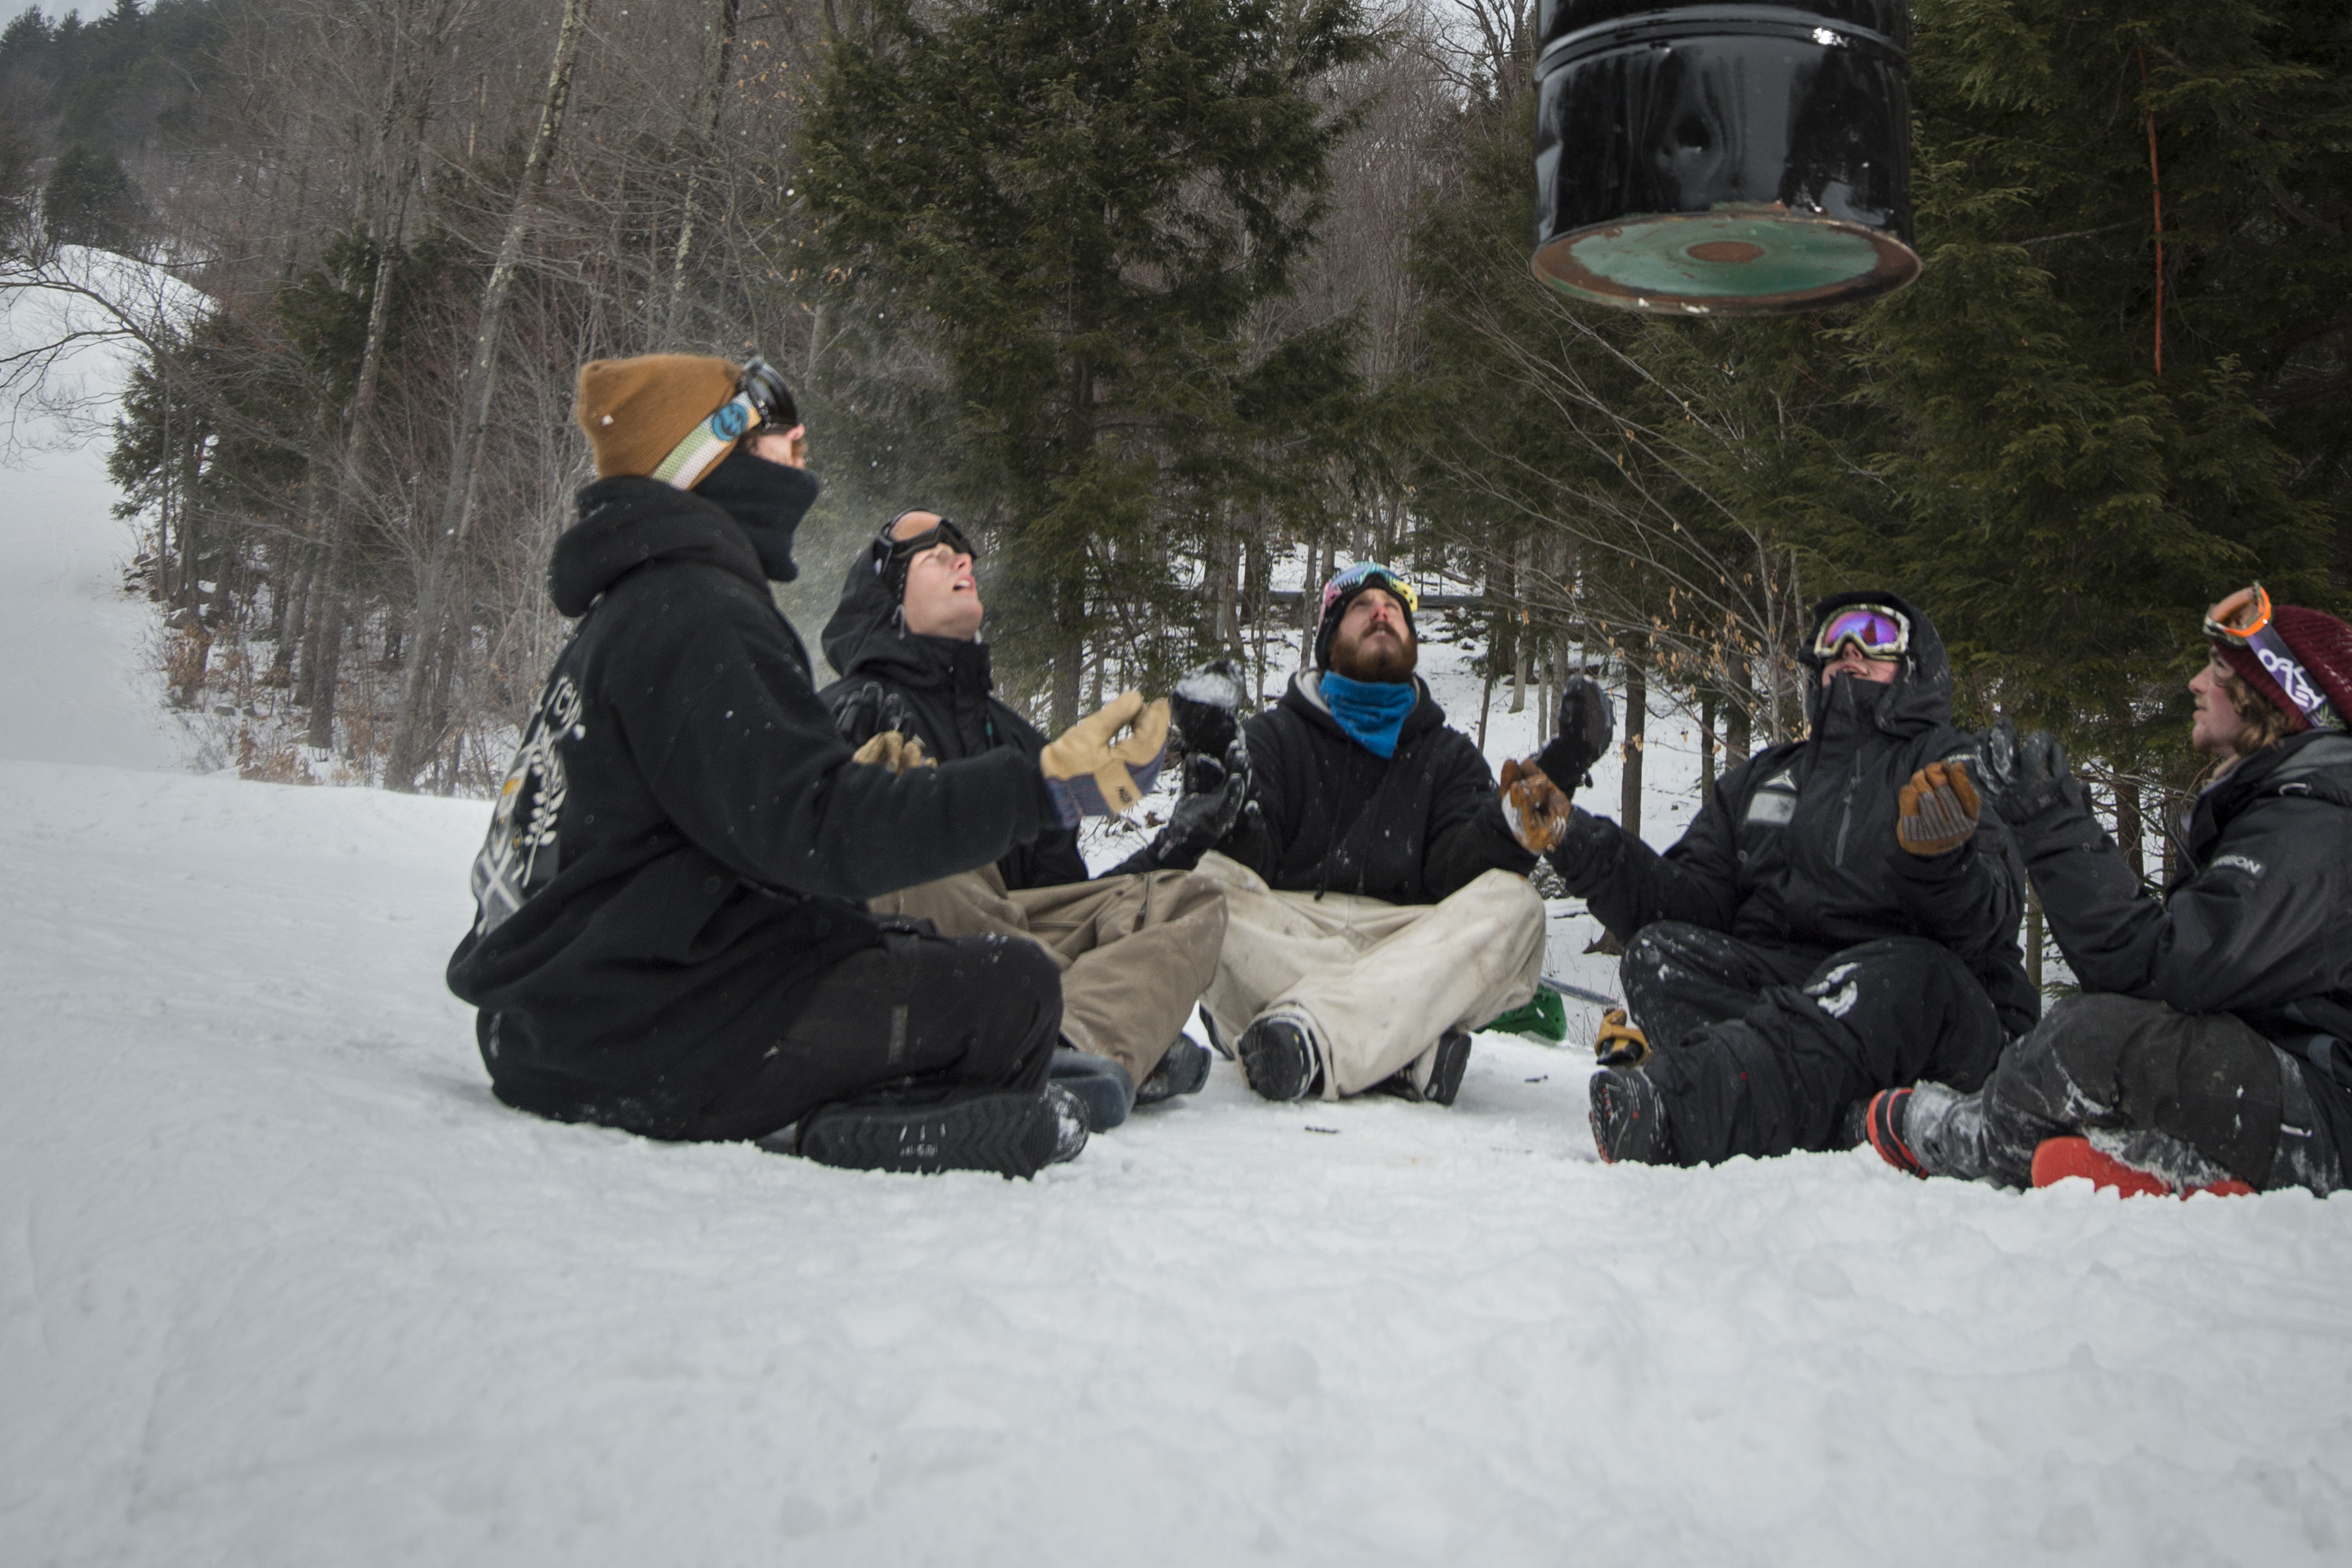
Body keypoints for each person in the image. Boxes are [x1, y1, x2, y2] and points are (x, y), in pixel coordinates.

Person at [444, 354, 1161, 1176]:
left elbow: (750, 846)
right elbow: (819, 826)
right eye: (777, 433)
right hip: (635, 1039)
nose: (800, 447)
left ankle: (893, 1088)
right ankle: (851, 1119)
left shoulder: (641, 608)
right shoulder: (698, 614)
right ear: (708, 455)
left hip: (565, 1021)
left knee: (920, 950)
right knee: (1014, 991)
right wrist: (1043, 786)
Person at [1867, 585, 2352, 1200]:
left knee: (2090, 1037)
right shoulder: (2303, 808)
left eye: (2219, 671)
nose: (2196, 683)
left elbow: (2159, 973)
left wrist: (2051, 818)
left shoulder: (2320, 828)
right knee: (2128, 1047)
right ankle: (2174, 1172)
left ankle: (1968, 1138)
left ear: (2278, 699)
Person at [1496, 588, 2035, 1169]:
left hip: (1931, 1012)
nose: (1850, 650)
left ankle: (1679, 1112)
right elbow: (1688, 906)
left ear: (1916, 664)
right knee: (1659, 956)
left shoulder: (1954, 767)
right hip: (1796, 995)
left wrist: (1943, 860)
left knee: (1895, 978)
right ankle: (1847, 1118)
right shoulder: (1767, 779)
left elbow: (1994, 917)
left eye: (1875, 637)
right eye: (1834, 640)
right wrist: (1575, 840)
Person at [818, 508, 1226, 1119]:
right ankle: (1095, 1025)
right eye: (935, 556)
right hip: (904, 951)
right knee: (904, 841)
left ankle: (1067, 1044)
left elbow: (1056, 899)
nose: (963, 560)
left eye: (964, 553)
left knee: (1188, 898)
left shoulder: (1016, 738)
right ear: (886, 596)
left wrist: (1172, 849)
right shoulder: (839, 712)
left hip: (1009, 941)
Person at [1142, 561, 1580, 1106]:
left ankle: (1301, 1032)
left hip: (1409, 943)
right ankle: (1395, 1047)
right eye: (1362, 607)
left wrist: (1545, 790)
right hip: (1293, 933)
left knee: (1517, 907)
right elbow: (1251, 865)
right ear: (1329, 642)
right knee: (1201, 884)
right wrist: (1227, 815)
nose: (1381, 613)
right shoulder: (1273, 736)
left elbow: (1457, 877)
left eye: (1394, 609)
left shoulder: (1449, 755)